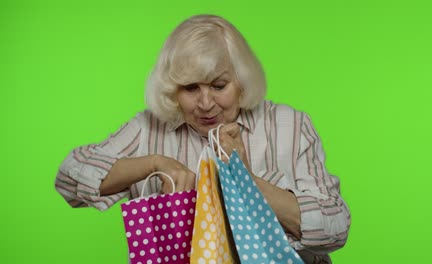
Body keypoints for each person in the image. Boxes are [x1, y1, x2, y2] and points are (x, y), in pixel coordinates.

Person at [55, 14, 350, 263]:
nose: (206, 103)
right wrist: (154, 163)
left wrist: (245, 181)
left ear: (242, 82)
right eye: (191, 88)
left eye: (219, 86)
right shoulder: (149, 128)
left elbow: (335, 228)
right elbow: (69, 180)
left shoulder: (290, 125)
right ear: (172, 89)